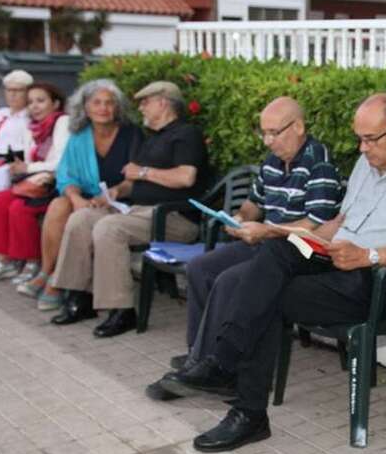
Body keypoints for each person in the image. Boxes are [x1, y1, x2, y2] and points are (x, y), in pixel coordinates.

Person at [156, 93, 386, 452]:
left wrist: (368, 256)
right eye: (359, 139)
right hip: (336, 258)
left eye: (370, 139)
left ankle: (242, 401)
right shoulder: (366, 166)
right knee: (274, 251)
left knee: (268, 295)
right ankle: (226, 368)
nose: (362, 148)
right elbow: (338, 223)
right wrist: (301, 236)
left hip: (378, 281)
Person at [145, 96, 343, 400]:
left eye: (274, 133)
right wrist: (239, 219)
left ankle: (214, 366)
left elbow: (315, 224)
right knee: (200, 268)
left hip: (293, 251)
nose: (268, 141)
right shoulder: (273, 161)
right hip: (265, 240)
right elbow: (254, 204)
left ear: (299, 127)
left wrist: (266, 230)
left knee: (228, 281)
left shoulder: (319, 164)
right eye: (264, 133)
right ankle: (198, 357)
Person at [50, 81, 208, 337]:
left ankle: (122, 310)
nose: (141, 108)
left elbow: (185, 177)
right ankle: (79, 297)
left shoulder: (186, 134)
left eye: (145, 102)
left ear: (163, 103)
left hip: (174, 218)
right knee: (81, 218)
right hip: (138, 211)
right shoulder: (153, 138)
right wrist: (114, 193)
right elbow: (134, 181)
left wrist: (143, 172)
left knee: (109, 228)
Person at [17, 79, 142, 312]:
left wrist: (110, 194)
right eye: (97, 103)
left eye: (109, 103)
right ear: (85, 107)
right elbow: (67, 176)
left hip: (118, 200)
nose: (103, 108)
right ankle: (47, 272)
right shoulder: (79, 135)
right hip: (85, 197)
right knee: (59, 205)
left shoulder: (131, 134)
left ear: (117, 107)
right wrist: (76, 199)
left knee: (78, 217)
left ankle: (56, 282)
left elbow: (133, 179)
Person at [0, 82, 69, 283]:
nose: (34, 106)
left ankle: (32, 261)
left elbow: (60, 163)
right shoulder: (32, 128)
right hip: (34, 183)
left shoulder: (62, 122)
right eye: (30, 102)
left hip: (55, 185)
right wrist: (20, 167)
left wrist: (27, 168)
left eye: (40, 101)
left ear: (55, 103)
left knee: (19, 208)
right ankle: (5, 260)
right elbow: (28, 161)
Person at [0, 70, 33, 164]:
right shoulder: (0, 114)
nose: (12, 94)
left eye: (18, 90)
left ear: (28, 92)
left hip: (15, 163)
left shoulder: (32, 117)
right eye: (9, 90)